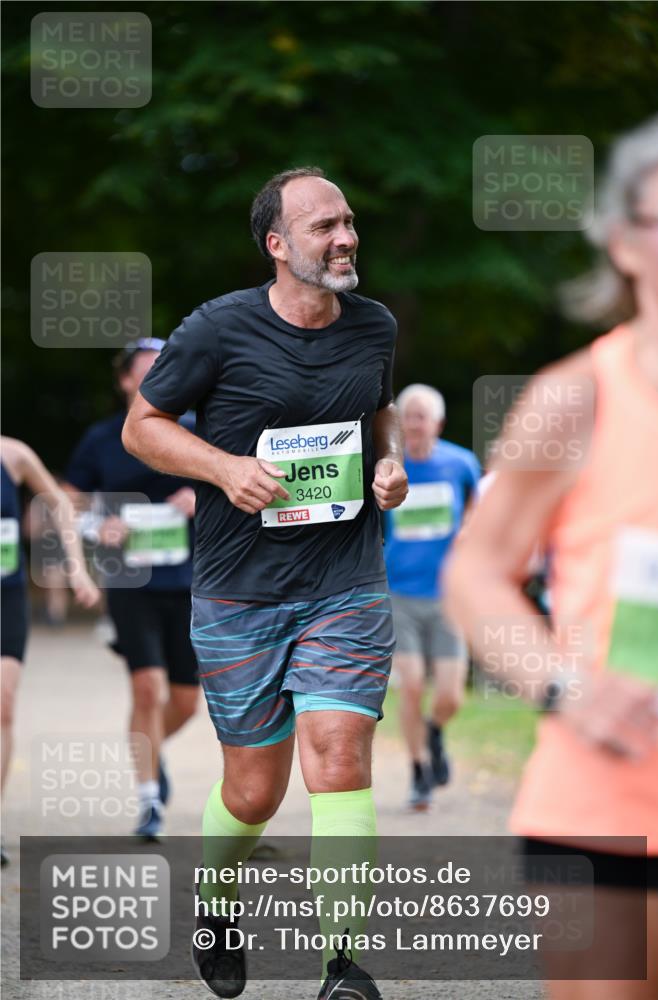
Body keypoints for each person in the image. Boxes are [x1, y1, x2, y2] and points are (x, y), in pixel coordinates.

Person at [122, 166, 408, 999]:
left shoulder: (374, 326)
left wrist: (386, 464)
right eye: (323, 227)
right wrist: (222, 469)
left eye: (348, 221)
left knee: (339, 754)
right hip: (238, 587)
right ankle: (217, 899)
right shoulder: (216, 329)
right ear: (277, 245)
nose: (345, 237)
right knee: (254, 789)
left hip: (345, 579)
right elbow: (146, 426)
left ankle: (342, 968)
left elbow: (377, 408)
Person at [447, 113, 658, 999]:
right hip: (606, 807)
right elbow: (475, 571)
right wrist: (564, 684)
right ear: (622, 243)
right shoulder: (573, 399)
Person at [64, 339, 200, 841]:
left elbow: (235, 489)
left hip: (190, 581)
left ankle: (149, 749)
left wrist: (201, 492)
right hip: (130, 581)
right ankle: (149, 801)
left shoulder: (194, 433)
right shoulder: (102, 440)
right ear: (125, 381)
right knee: (147, 686)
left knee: (186, 702)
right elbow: (67, 504)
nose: (152, 377)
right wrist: (97, 526)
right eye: (142, 371)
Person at [1, 435, 99, 863]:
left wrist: (76, 567)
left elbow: (59, 502)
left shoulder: (14, 454)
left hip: (5, 597)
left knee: (2, 704)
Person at [384, 383, 480, 810]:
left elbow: (479, 513)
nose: (415, 423)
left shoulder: (461, 464)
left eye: (423, 416)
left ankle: (435, 730)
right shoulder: (388, 468)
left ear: (438, 423)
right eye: (409, 415)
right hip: (399, 593)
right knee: (411, 685)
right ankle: (419, 770)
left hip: (448, 597)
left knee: (450, 696)